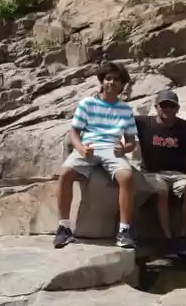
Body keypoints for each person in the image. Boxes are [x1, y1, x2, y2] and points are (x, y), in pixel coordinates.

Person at [54, 61, 139, 250]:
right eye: (108, 78)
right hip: (89, 146)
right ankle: (64, 227)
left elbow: (131, 141)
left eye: (117, 80)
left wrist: (124, 149)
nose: (112, 83)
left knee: (126, 176)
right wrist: (81, 148)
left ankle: (124, 230)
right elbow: (74, 133)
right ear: (102, 81)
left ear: (122, 85)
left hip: (112, 148)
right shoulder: (87, 103)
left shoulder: (125, 109)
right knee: (65, 173)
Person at [135, 90, 186, 257]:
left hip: (178, 174)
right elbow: (119, 123)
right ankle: (168, 239)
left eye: (171, 105)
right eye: (163, 105)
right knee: (161, 191)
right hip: (152, 172)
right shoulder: (143, 122)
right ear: (156, 107)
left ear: (177, 108)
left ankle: (181, 236)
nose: (167, 109)